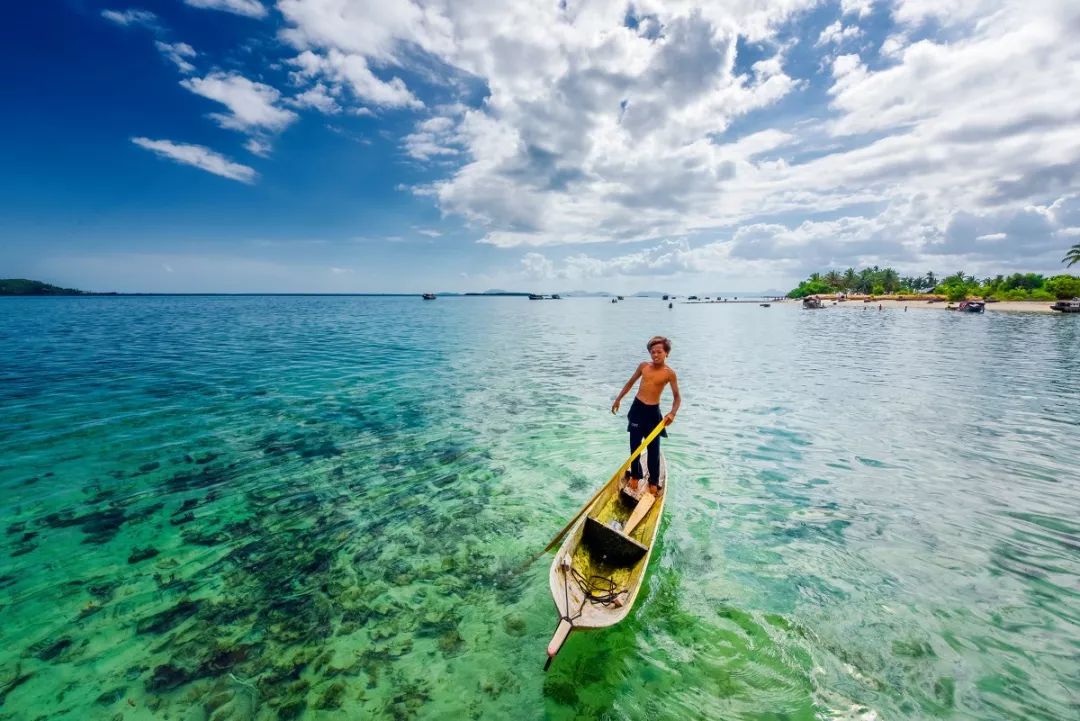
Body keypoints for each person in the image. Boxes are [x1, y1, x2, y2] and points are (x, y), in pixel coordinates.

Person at [610, 336, 681, 495]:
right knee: (635, 445)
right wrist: (618, 399)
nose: (655, 355)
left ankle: (654, 481)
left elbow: (677, 397)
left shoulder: (669, 374)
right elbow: (630, 383)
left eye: (659, 352)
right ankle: (635, 475)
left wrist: (672, 413)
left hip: (653, 414)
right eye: (653, 352)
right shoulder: (643, 366)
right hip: (637, 409)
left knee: (654, 449)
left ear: (666, 353)